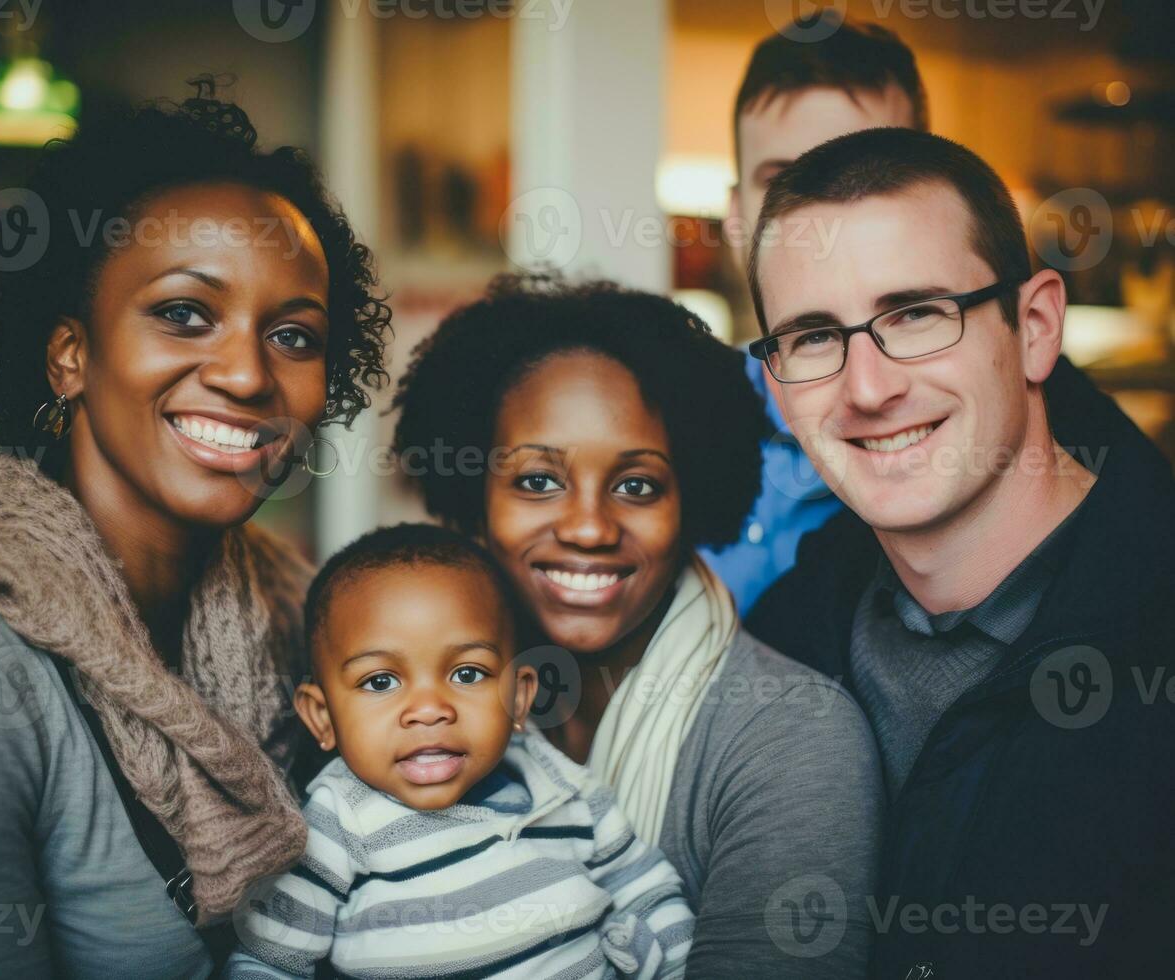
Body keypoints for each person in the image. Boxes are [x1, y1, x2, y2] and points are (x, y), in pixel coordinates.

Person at [0, 79, 390, 979]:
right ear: (70, 354)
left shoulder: (304, 614)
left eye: (294, 336)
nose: (246, 374)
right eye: (184, 313)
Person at [744, 126, 1175, 976]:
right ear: (775, 385)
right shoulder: (780, 642)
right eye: (814, 336)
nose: (868, 389)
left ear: (1036, 326)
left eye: (915, 315)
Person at [392, 274, 884, 977]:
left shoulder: (792, 739)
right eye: (536, 481)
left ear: (695, 500)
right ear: (475, 497)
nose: (588, 527)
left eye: (636, 485)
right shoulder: (409, 699)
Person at [225, 523, 694, 980]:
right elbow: (269, 960)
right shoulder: (336, 827)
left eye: (467, 674)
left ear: (518, 697)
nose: (428, 710)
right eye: (381, 681)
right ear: (323, 718)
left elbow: (651, 894)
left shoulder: (565, 789)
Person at [704, 11, 927, 614]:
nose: (818, 219)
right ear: (735, 218)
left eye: (864, 175)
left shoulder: (990, 426)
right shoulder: (666, 422)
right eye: (780, 183)